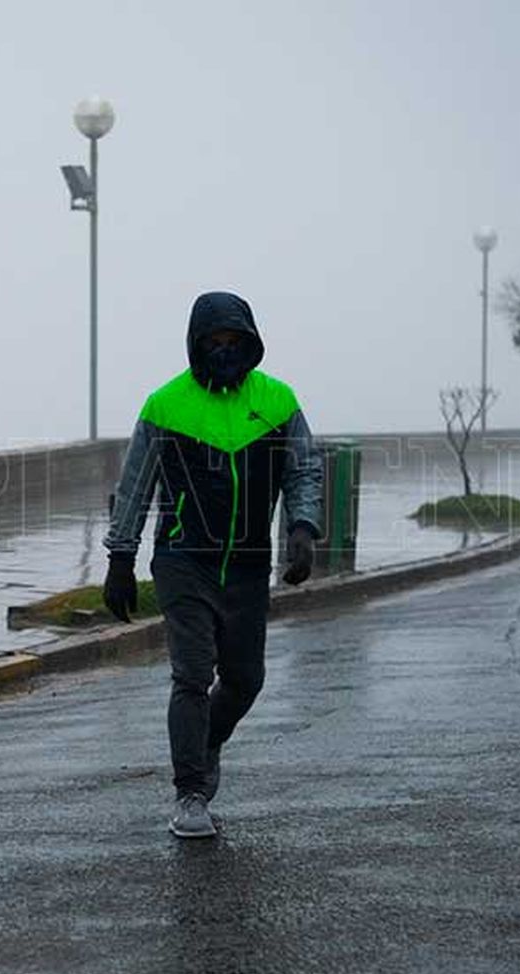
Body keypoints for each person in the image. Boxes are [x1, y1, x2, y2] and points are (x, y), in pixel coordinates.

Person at [102, 290, 323, 839]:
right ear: (196, 346)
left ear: (250, 344)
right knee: (193, 675)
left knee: (246, 679)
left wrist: (302, 528)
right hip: (184, 561)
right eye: (213, 343)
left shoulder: (277, 401)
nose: (224, 351)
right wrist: (121, 558)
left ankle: (208, 743)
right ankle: (191, 793)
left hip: (247, 567)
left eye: (234, 342)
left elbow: (303, 471)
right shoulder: (165, 406)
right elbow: (135, 487)